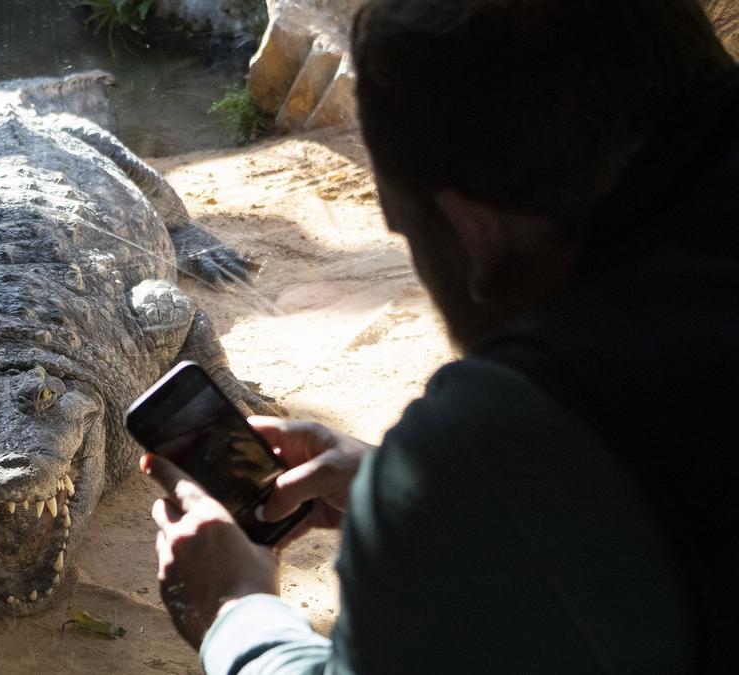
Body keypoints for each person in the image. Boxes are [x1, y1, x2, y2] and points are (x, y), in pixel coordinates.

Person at [143, 0, 739, 672]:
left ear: (473, 234)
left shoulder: (495, 441)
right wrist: (397, 477)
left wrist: (234, 607)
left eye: (403, 229)